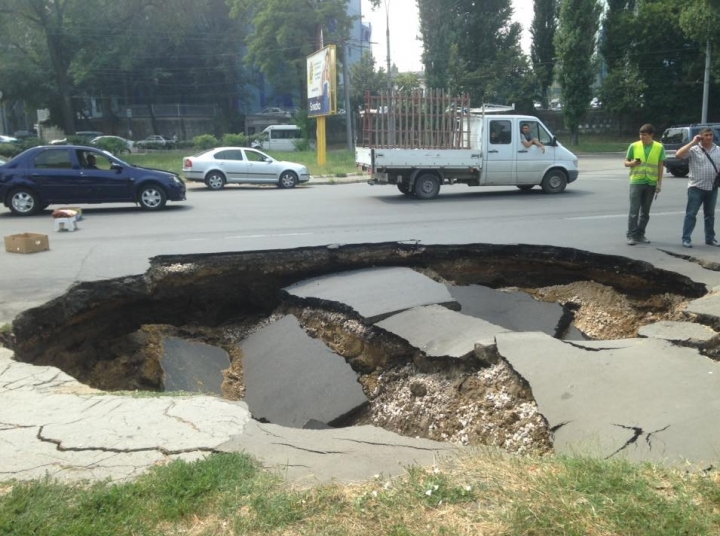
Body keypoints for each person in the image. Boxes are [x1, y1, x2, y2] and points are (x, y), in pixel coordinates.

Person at [674, 127, 720, 248]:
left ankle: (710, 238)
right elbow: (679, 154)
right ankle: (686, 239)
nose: (709, 137)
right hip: (696, 187)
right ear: (701, 136)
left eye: (710, 135)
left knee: (710, 215)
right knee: (691, 214)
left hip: (712, 187)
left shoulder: (718, 150)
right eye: (706, 135)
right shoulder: (694, 149)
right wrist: (693, 142)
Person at [623, 123, 665, 245]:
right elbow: (626, 162)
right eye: (640, 134)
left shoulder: (659, 147)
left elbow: (660, 166)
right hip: (636, 181)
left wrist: (659, 183)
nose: (642, 137)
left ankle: (640, 234)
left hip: (651, 182)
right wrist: (632, 163)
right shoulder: (634, 146)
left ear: (651, 135)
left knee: (645, 212)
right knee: (634, 210)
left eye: (644, 135)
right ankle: (631, 235)